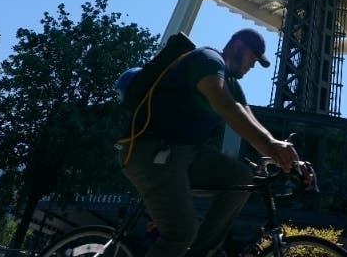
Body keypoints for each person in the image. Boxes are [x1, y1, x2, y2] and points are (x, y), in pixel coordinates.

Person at [117, 28, 301, 257]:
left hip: (185, 154)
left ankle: (200, 253)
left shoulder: (231, 82)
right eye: (252, 59)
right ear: (237, 47)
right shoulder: (207, 60)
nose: (252, 66)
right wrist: (272, 147)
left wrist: (287, 156)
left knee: (241, 176)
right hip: (152, 151)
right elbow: (227, 108)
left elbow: (247, 116)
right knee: (181, 232)